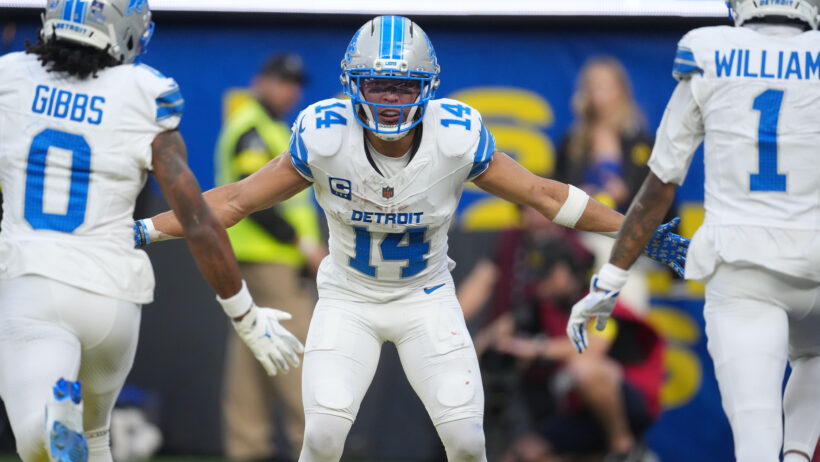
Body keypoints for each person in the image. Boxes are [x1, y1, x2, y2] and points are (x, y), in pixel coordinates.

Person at [134, 16, 688, 462]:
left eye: (404, 86)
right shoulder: (325, 136)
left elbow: (544, 195)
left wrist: (631, 230)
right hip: (348, 301)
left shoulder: (455, 138)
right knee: (323, 437)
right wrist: (143, 229)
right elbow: (232, 203)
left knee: (469, 442)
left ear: (427, 89)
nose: (391, 99)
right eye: (379, 84)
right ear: (354, 83)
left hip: (426, 300)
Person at [0, 2, 303, 461]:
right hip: (113, 293)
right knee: (96, 436)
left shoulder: (10, 77)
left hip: (32, 278)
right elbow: (200, 219)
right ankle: (62, 428)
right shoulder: (145, 92)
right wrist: (246, 314)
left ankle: (45, 426)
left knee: (35, 433)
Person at [567, 1, 820, 461]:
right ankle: (800, 454)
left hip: (741, 267)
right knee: (814, 357)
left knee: (756, 438)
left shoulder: (710, 53)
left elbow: (659, 186)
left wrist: (611, 278)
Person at [216, 53, 325, 462]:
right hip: (272, 261)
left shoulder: (268, 128)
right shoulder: (254, 130)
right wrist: (304, 245)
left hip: (256, 262)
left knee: (251, 352)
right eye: (282, 81)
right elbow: (253, 202)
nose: (291, 90)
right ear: (260, 81)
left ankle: (248, 448)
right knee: (298, 351)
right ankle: (314, 447)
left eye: (295, 83)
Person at [556, 56, 652, 214]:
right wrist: (577, 195)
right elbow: (556, 188)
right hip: (580, 230)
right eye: (593, 86)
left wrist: (628, 193)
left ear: (621, 90)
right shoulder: (571, 141)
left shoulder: (640, 142)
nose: (599, 94)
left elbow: (657, 196)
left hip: (627, 227)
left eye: (606, 87)